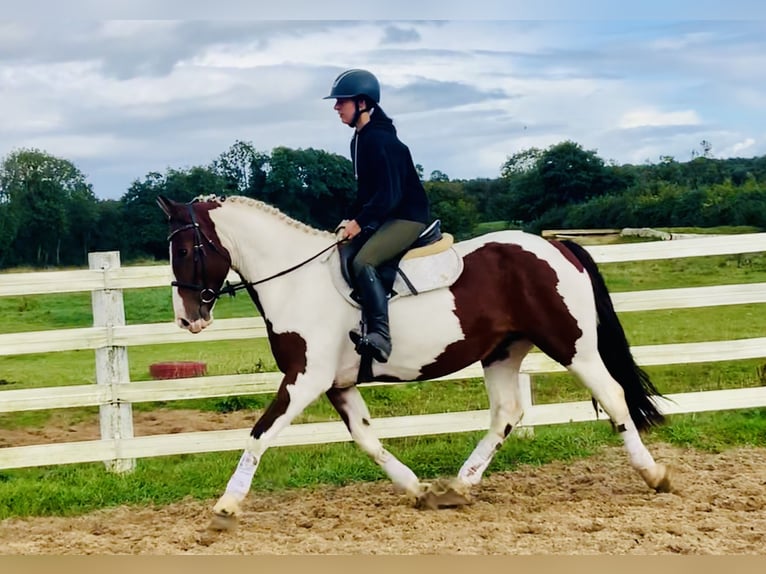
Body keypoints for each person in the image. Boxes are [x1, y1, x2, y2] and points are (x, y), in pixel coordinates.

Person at [324, 68, 430, 363]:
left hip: (407, 217)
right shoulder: (359, 140)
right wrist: (348, 218)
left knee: (364, 261)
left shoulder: (382, 141)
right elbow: (365, 193)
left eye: (341, 101)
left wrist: (361, 222)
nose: (336, 107)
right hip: (386, 215)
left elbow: (389, 195)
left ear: (362, 103)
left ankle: (381, 336)